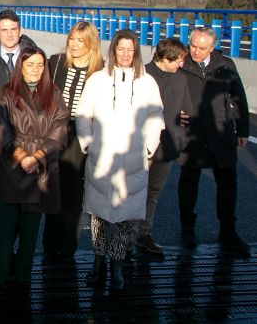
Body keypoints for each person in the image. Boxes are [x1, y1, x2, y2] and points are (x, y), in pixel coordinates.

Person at [76, 29, 164, 290]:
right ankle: (98, 261)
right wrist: (88, 143)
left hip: (134, 160)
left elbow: (156, 116)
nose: (125, 54)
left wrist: (148, 148)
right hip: (101, 158)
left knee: (126, 219)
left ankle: (117, 265)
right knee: (100, 217)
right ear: (113, 50)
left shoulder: (147, 82)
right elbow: (83, 114)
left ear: (136, 52)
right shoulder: (98, 80)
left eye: (130, 49)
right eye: (120, 49)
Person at [0, 47, 68, 287]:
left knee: (30, 231)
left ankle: (23, 275)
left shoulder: (54, 93)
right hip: (11, 167)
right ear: (20, 67)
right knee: (3, 231)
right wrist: (22, 156)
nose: (35, 69)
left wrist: (38, 157)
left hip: (39, 168)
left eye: (40, 65)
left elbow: (60, 129)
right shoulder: (7, 93)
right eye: (30, 64)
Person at [178, 26, 250, 257]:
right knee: (189, 182)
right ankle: (187, 229)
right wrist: (174, 114)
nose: (196, 51)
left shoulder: (225, 64)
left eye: (202, 47)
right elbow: (166, 93)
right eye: (193, 46)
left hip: (221, 132)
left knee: (228, 184)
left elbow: (239, 97)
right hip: (193, 134)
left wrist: (243, 129)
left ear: (212, 47)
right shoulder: (182, 64)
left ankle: (228, 231)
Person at [0, 9, 37, 267]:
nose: (10, 34)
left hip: (25, 138)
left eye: (14, 29)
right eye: (4, 30)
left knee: (20, 199)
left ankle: (12, 250)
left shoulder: (34, 57)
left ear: (20, 30)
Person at [42, 20, 104, 261]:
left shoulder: (101, 71)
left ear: (91, 44)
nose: (75, 45)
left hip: (82, 134)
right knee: (52, 189)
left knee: (74, 193)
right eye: (72, 40)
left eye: (81, 41)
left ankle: (68, 246)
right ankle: (50, 244)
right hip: (55, 132)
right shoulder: (56, 63)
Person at [138, 38, 191, 256]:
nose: (181, 64)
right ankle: (124, 237)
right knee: (132, 193)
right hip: (140, 147)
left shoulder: (180, 79)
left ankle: (144, 234)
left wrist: (181, 137)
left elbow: (187, 111)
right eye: (178, 60)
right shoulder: (141, 75)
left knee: (153, 193)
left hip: (167, 147)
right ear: (163, 57)